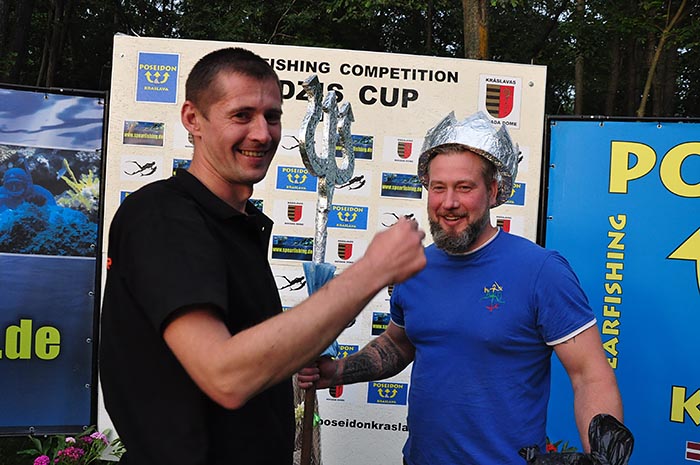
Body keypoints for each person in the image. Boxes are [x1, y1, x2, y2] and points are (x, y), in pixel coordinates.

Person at [99, 47, 426, 465]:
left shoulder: (237, 224)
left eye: (272, 117)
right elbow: (226, 377)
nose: (262, 134)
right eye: (241, 115)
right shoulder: (162, 216)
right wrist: (373, 271)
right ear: (193, 119)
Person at [298, 111, 624, 465]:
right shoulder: (413, 268)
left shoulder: (541, 271)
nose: (449, 202)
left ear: (493, 192)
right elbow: (398, 344)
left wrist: (603, 457)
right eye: (438, 187)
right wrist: (338, 371)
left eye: (464, 187)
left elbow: (589, 375)